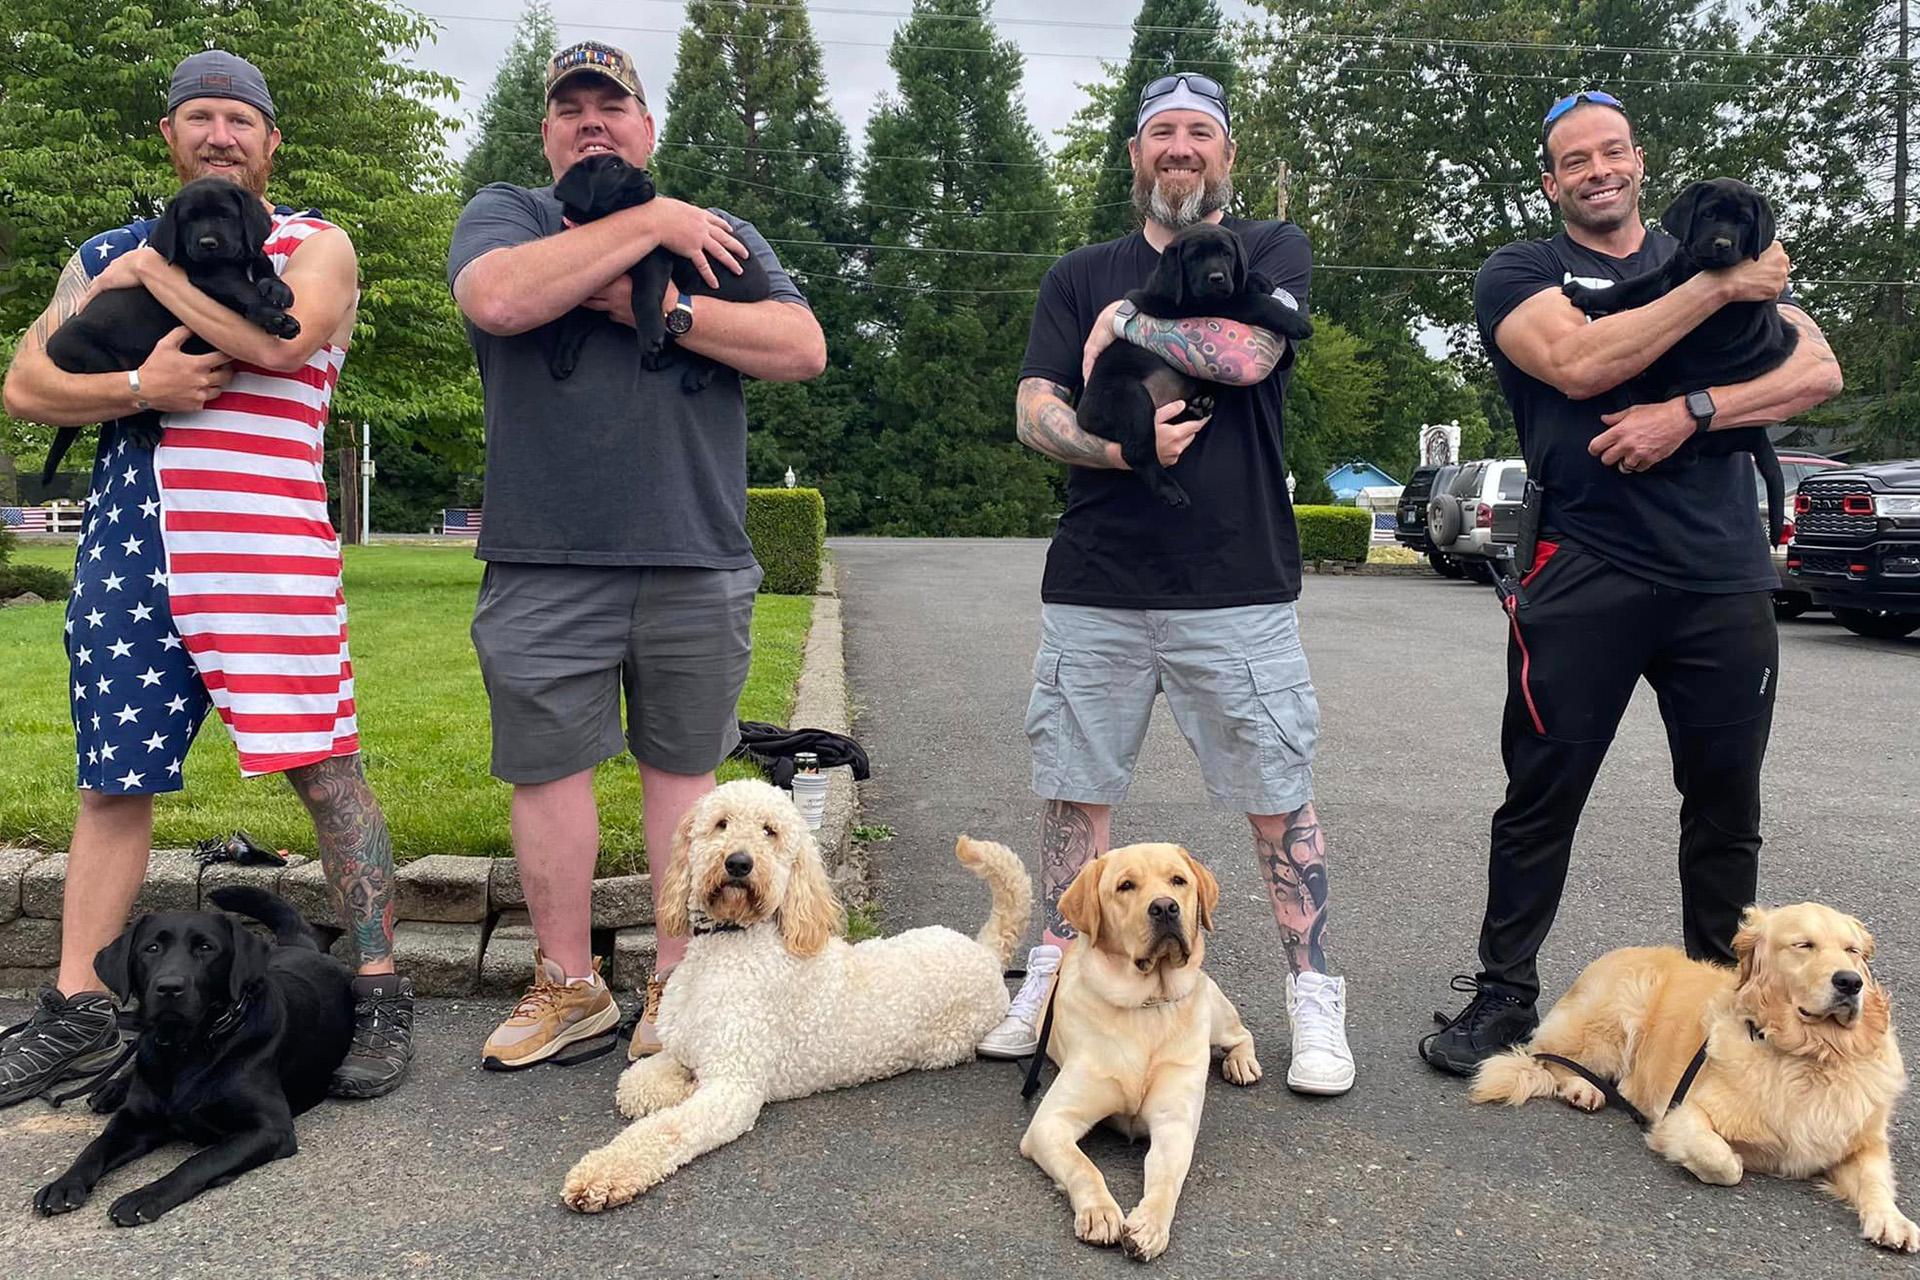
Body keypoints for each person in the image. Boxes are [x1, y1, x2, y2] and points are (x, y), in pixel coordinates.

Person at [0, 51, 415, 1104]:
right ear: (168, 134)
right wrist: (142, 380)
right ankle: (82, 1008)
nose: (220, 132)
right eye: (199, 116)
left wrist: (153, 277)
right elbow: (27, 383)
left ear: (272, 141)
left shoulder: (313, 243)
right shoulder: (99, 251)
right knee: (111, 782)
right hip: (132, 551)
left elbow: (286, 341)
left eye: (240, 117)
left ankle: (376, 988)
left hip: (262, 548)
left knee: (326, 770)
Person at [1420, 90, 1845, 1075]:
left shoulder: (1713, 241)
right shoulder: (1523, 271)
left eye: (1613, 151)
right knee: (1542, 792)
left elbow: (1817, 368)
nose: (1598, 170)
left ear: (1640, 160)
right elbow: (1574, 362)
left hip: (1721, 576)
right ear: (1552, 180)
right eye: (1577, 160)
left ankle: (1721, 1008)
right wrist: (1718, 285)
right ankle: (1503, 994)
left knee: (1726, 803)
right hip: (1585, 568)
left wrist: (1689, 412)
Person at [446, 40, 825, 1069]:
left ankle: (674, 986)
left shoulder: (723, 234)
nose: (591, 122)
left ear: (646, 126)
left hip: (694, 550)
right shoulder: (511, 215)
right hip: (544, 554)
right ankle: (569, 985)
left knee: (684, 780)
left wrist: (676, 307)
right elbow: (499, 300)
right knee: (549, 770)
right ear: (547, 133)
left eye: (611, 106)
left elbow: (800, 345)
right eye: (570, 109)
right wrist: (650, 227)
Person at [991, 72, 1353, 1096]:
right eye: (1162, 133)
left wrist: (1135, 329)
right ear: (1136, 155)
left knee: (1278, 796)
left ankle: (1313, 993)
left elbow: (1246, 352)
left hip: (1234, 582)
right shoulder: (1077, 273)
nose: (1180, 148)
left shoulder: (1268, 250)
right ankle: (1055, 979)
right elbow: (1034, 410)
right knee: (1077, 796)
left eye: (1200, 133)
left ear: (1225, 156)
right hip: (1096, 577)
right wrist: (1113, 449)